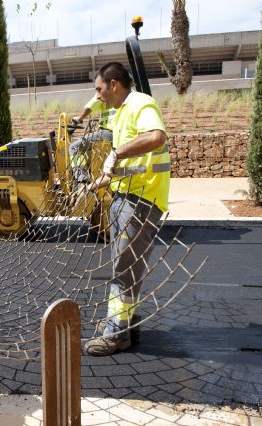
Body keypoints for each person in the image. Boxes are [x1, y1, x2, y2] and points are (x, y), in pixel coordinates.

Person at [83, 62, 170, 356]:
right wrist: (101, 180)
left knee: (123, 268)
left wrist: (117, 153)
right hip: (127, 198)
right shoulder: (121, 114)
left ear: (113, 85)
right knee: (127, 267)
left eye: (100, 89)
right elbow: (125, 165)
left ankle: (116, 333)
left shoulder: (141, 103)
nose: (99, 95)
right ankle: (127, 324)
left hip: (140, 201)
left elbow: (156, 136)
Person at [68, 94, 116, 186]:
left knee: (74, 147)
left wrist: (79, 119)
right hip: (120, 134)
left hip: (108, 132)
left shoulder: (105, 90)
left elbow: (90, 107)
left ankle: (82, 181)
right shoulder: (128, 94)